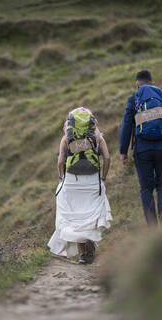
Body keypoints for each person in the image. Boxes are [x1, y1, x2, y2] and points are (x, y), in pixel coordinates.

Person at [119, 70, 162, 226]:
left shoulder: (133, 99)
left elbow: (126, 126)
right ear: (153, 83)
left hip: (142, 150)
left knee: (146, 188)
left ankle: (152, 226)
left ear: (137, 85)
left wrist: (123, 151)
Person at [48, 107, 112, 264]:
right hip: (92, 181)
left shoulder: (67, 138)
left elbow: (61, 161)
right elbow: (107, 157)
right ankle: (90, 240)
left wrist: (61, 177)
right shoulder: (97, 137)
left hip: (72, 181)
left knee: (75, 216)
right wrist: (103, 177)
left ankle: (84, 254)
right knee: (91, 213)